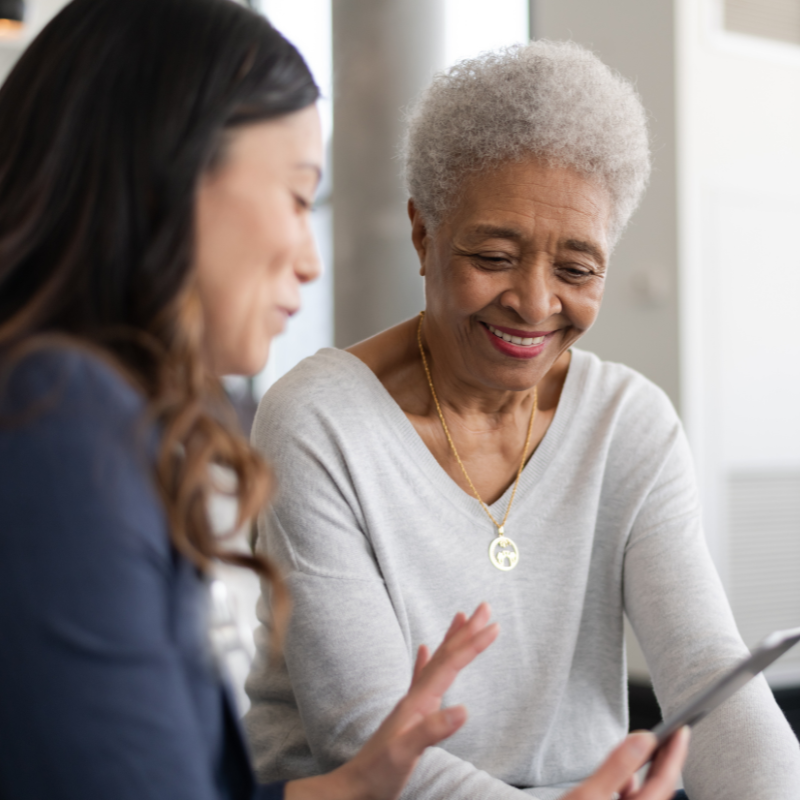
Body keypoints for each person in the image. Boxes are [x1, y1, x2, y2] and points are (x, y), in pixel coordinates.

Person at [0, 2, 689, 800]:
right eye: (297, 198)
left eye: (575, 269)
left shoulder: (88, 415)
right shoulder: (59, 421)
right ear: (162, 183)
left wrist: (352, 789)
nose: (310, 261)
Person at [244, 40, 800, 800]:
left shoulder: (628, 423)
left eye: (577, 269)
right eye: (495, 255)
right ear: (422, 233)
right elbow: (368, 738)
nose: (536, 305)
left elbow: (708, 670)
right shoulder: (320, 421)